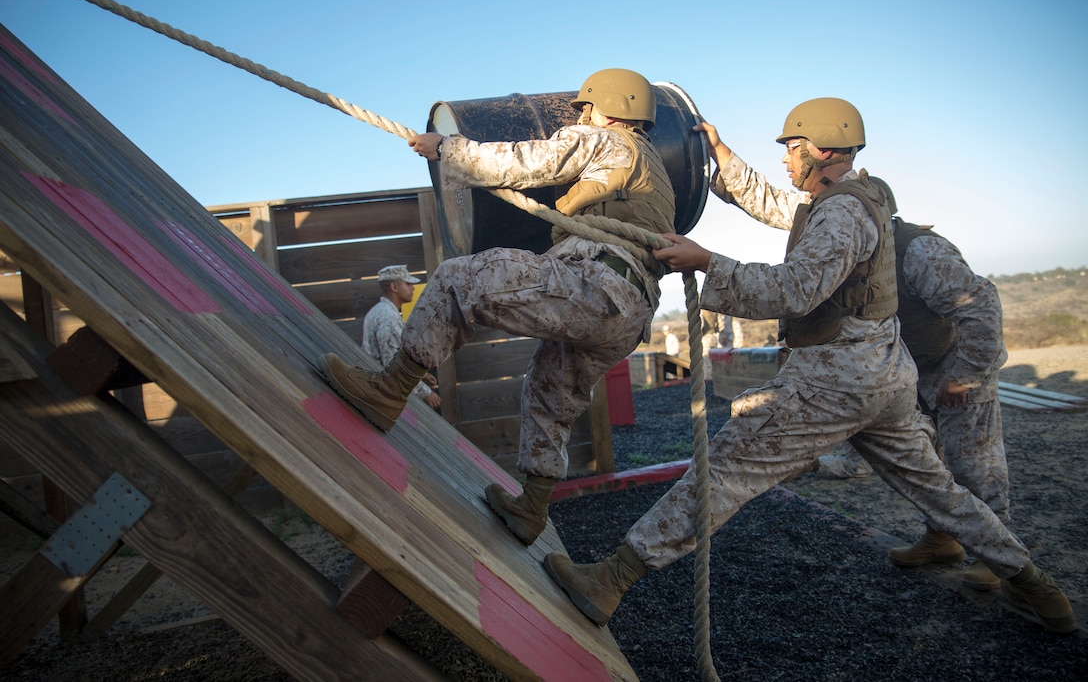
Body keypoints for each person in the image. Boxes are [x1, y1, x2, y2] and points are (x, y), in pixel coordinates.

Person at [541, 98, 1077, 634]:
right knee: (941, 491)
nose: (786, 159)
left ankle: (609, 581)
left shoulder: (840, 213)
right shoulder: (853, 200)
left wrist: (708, 263)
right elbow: (776, 205)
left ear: (822, 150)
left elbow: (794, 289)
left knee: (723, 472)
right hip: (884, 377)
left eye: (793, 148)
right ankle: (1036, 587)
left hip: (833, 384)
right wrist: (721, 155)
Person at [321, 68, 675, 545]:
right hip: (630, 311)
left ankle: (388, 391)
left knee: (458, 278)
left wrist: (447, 150)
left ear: (607, 109)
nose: (583, 116)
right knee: (552, 387)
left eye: (586, 108)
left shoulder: (605, 141)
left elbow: (527, 162)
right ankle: (531, 506)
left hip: (598, 283)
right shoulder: (654, 169)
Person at [814, 199, 1010, 590]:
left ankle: (997, 556)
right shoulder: (860, 253)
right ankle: (942, 540)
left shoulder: (918, 250)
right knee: (930, 462)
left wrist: (965, 375)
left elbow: (982, 307)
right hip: (916, 369)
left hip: (959, 363)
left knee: (974, 463)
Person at [361, 264, 440, 411]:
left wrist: (421, 375)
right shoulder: (388, 319)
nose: (413, 288)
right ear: (394, 287)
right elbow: (394, 368)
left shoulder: (378, 312)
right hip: (386, 399)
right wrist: (426, 393)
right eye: (408, 284)